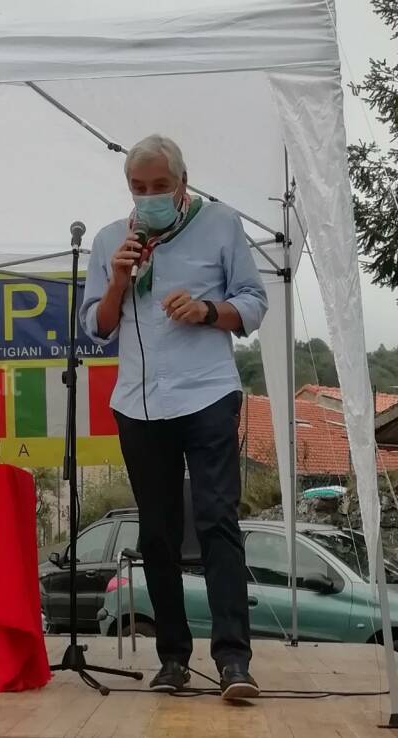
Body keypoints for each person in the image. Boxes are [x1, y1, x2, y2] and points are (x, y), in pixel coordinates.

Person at [80, 134, 268, 700]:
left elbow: (254, 303)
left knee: (216, 521)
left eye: (160, 187)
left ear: (182, 183)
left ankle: (235, 661)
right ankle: (173, 659)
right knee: (157, 534)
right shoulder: (112, 239)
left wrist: (209, 310)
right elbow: (98, 326)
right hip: (138, 402)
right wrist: (117, 279)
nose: (150, 197)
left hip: (208, 394)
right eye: (139, 189)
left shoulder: (221, 224)